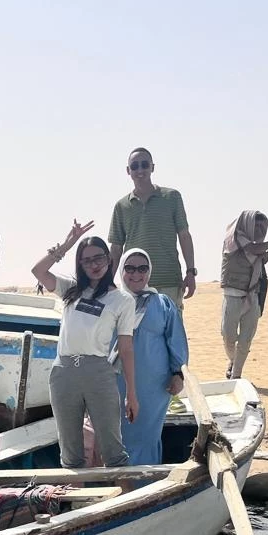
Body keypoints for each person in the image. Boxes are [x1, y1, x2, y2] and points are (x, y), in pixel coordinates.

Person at [31, 220, 137, 468]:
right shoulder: (70, 289)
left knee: (113, 449)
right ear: (80, 264)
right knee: (70, 451)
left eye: (99, 258)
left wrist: (132, 393)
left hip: (98, 372)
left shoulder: (122, 300)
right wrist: (68, 243)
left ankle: (123, 502)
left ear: (109, 259)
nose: (94, 265)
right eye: (87, 260)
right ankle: (72, 503)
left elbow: (126, 349)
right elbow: (38, 271)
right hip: (64, 372)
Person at [116, 247, 188, 464]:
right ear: (121, 270)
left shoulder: (162, 303)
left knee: (146, 437)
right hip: (115, 384)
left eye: (142, 268)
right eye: (129, 268)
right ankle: (122, 487)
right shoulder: (111, 302)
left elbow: (176, 340)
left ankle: (145, 483)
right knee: (117, 437)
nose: (136, 274)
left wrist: (178, 374)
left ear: (149, 271)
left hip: (154, 387)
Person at [108, 147, 196, 313]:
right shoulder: (121, 206)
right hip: (134, 283)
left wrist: (191, 272)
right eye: (135, 166)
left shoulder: (172, 197)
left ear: (152, 167)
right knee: (136, 335)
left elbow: (184, 236)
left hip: (169, 280)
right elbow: (116, 247)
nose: (140, 170)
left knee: (171, 335)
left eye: (144, 165)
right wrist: (108, 281)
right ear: (128, 171)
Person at [220, 211, 268, 379]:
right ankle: (233, 360)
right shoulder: (234, 239)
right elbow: (252, 249)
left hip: (253, 296)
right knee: (228, 335)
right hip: (233, 295)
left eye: (263, 226)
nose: (260, 229)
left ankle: (236, 375)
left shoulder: (260, 249)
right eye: (256, 225)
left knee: (245, 339)